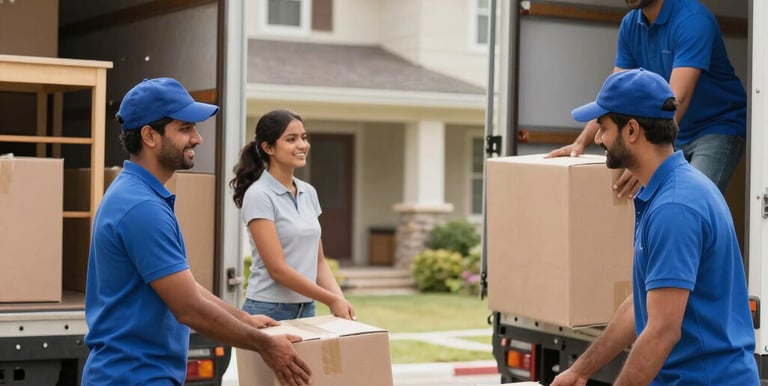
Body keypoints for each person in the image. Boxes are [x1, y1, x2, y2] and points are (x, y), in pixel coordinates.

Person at [82, 78, 312, 386]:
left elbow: (183, 286)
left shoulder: (140, 195)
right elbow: (188, 307)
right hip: (134, 377)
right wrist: (265, 345)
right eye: (185, 128)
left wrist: (244, 319)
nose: (198, 138)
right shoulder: (141, 208)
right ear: (150, 136)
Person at [550, 68, 758, 385]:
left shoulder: (675, 208)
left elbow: (662, 331)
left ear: (632, 130)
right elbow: (642, 304)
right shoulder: (669, 192)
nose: (597, 138)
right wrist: (581, 371)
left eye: (604, 127)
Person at [548, 0, 747, 198]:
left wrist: (644, 153)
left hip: (715, 127)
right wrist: (581, 143)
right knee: (658, 198)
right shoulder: (630, 24)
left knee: (691, 199)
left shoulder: (693, 21)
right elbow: (614, 97)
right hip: (671, 128)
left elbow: (677, 99)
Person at [230, 109, 355, 321]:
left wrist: (340, 301)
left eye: (303, 137)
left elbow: (319, 263)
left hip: (307, 308)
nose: (302, 145)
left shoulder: (309, 192)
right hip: (268, 309)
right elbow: (277, 269)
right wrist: (331, 300)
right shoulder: (259, 195)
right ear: (268, 147)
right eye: (291, 139)